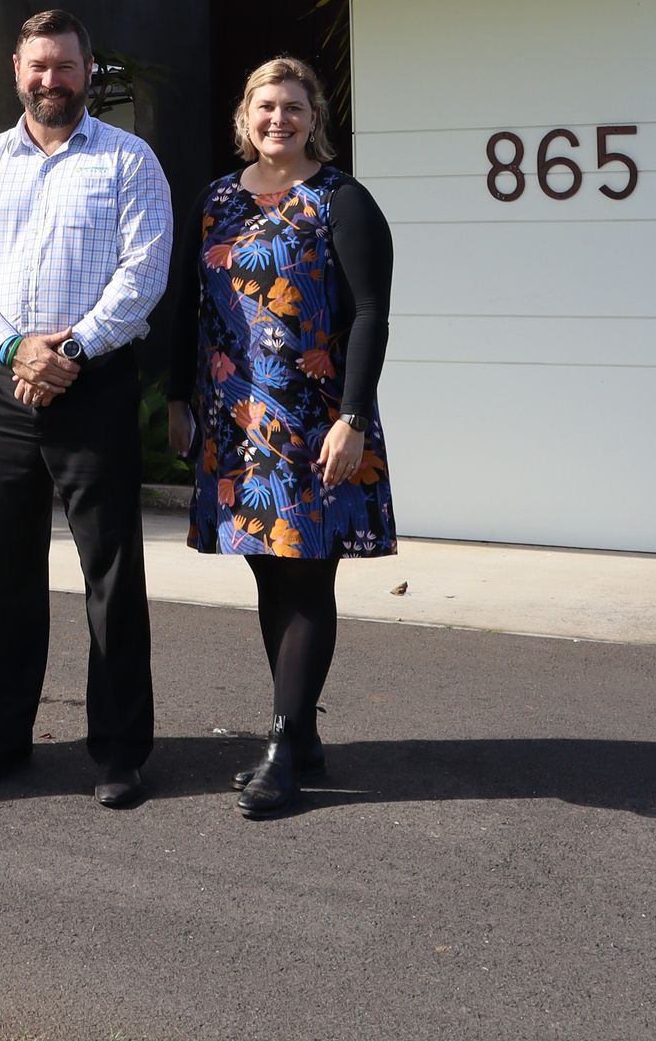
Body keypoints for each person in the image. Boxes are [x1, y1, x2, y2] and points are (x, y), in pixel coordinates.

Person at [0, 6, 173, 809]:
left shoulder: (129, 160)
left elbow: (144, 273)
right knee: (2, 577)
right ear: (16, 73)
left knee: (110, 574)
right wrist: (14, 351)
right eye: (38, 67)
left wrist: (67, 352)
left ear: (88, 69)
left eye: (65, 67)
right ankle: (0, 743)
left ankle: (119, 753)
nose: (51, 81)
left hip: (93, 384)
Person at [166, 54, 396, 819]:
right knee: (269, 570)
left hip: (316, 420)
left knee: (306, 574)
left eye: (293, 107)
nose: (278, 119)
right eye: (266, 106)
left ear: (313, 117)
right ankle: (300, 737)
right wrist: (176, 398)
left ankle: (283, 744)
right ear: (245, 114)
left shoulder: (341, 199)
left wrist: (353, 419)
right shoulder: (216, 200)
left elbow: (370, 314)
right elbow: (187, 308)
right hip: (235, 417)